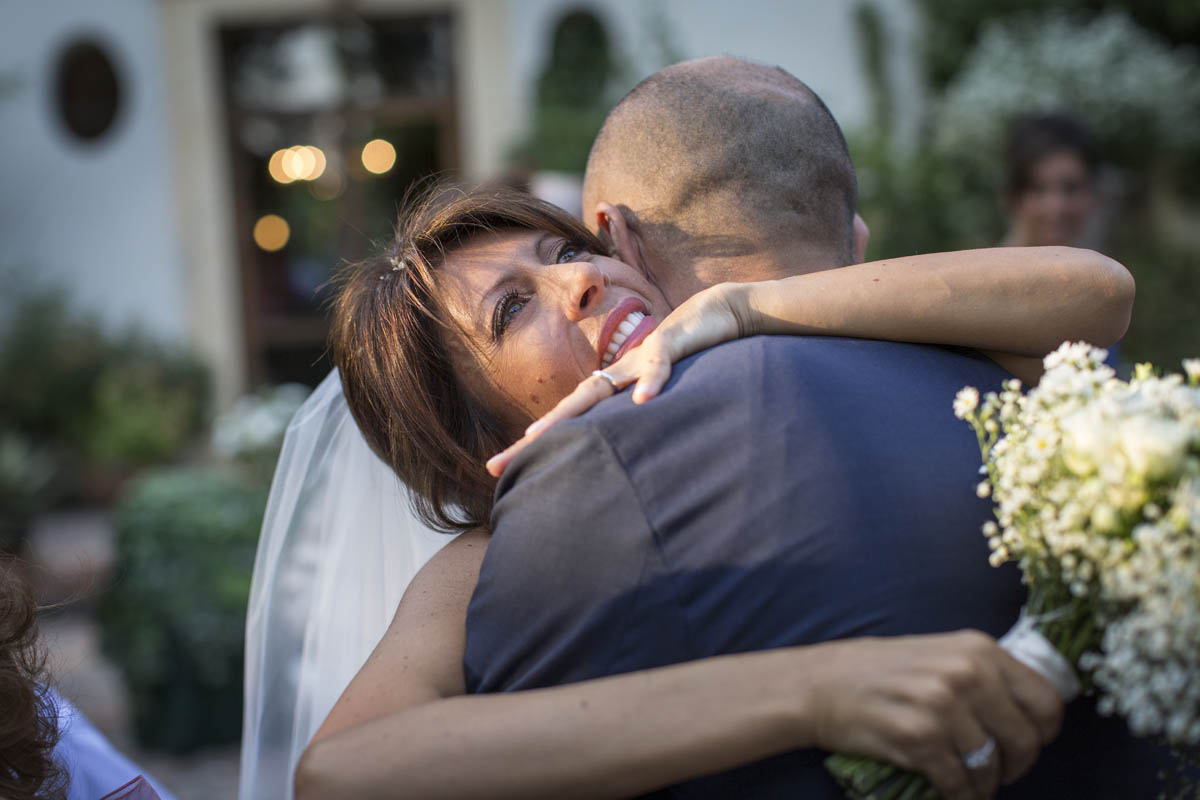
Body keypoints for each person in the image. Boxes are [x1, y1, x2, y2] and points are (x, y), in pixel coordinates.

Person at [274, 61, 1135, 799]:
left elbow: (1095, 292)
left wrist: (737, 307)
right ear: (466, 430)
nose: (577, 285)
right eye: (509, 312)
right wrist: (816, 691)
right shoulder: (480, 564)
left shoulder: (754, 343)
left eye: (563, 254)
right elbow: (338, 774)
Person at [1001, 112, 1100, 249]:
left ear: (1092, 193)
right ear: (1014, 197)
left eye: (1071, 188)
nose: (1056, 206)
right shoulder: (985, 269)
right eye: (1037, 189)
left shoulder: (1100, 268)